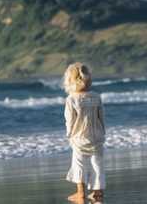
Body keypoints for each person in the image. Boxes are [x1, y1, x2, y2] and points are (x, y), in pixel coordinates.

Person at [63, 62, 106, 202]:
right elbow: (101, 117)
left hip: (80, 138)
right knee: (97, 164)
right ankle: (97, 192)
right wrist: (102, 131)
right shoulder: (96, 97)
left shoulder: (71, 100)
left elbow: (69, 121)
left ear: (70, 81)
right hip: (97, 136)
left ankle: (80, 193)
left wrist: (69, 135)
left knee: (79, 164)